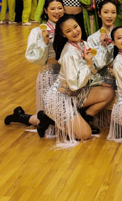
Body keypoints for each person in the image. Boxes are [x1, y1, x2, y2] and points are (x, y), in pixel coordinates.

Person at [40, 14, 115, 146]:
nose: (75, 32)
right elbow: (74, 85)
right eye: (69, 31)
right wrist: (89, 65)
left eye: (75, 27)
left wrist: (99, 81)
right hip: (60, 98)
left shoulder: (83, 44)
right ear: (63, 35)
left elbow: (93, 68)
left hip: (75, 94)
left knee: (108, 92)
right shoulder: (69, 54)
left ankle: (85, 117)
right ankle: (49, 120)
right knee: (85, 134)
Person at [3, 0, 65, 135]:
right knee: (51, 124)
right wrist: (45, 43)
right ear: (46, 10)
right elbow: (32, 57)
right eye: (53, 9)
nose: (57, 12)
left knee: (63, 116)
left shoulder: (68, 28)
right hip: (48, 75)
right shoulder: (37, 32)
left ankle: (21, 116)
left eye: (60, 8)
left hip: (66, 75)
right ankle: (21, 117)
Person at [86, 0, 118, 89]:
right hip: (102, 81)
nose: (109, 16)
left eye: (113, 12)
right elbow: (95, 65)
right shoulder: (92, 38)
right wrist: (102, 46)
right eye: (106, 12)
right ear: (99, 14)